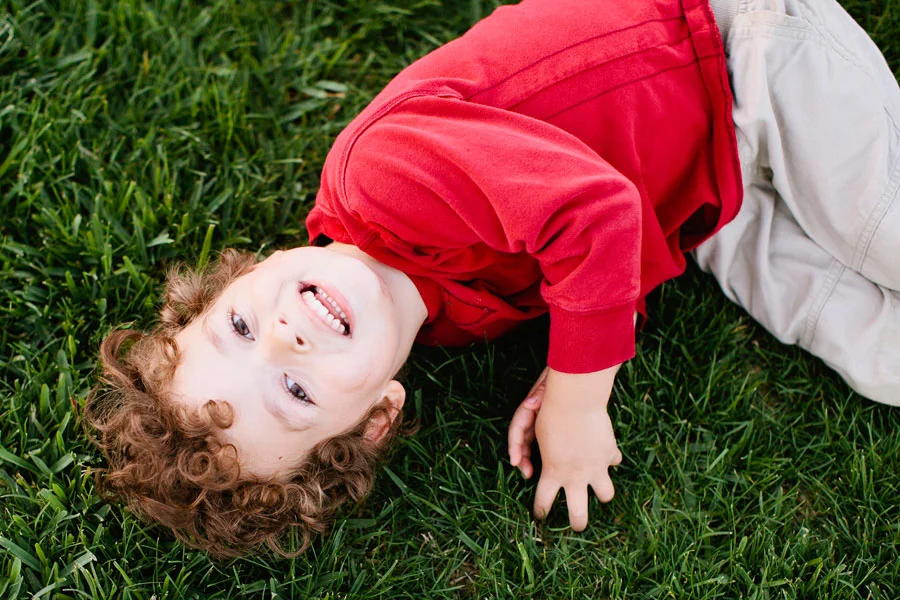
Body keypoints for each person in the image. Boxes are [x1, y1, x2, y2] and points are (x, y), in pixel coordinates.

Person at [86, 0, 900, 557]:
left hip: (739, 54)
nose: (284, 338)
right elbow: (598, 258)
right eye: (296, 394)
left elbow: (597, 218)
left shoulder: (381, 178)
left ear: (240, 278)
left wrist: (579, 402)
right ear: (376, 417)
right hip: (709, 197)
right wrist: (567, 357)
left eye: (237, 329)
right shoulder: (440, 313)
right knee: (879, 361)